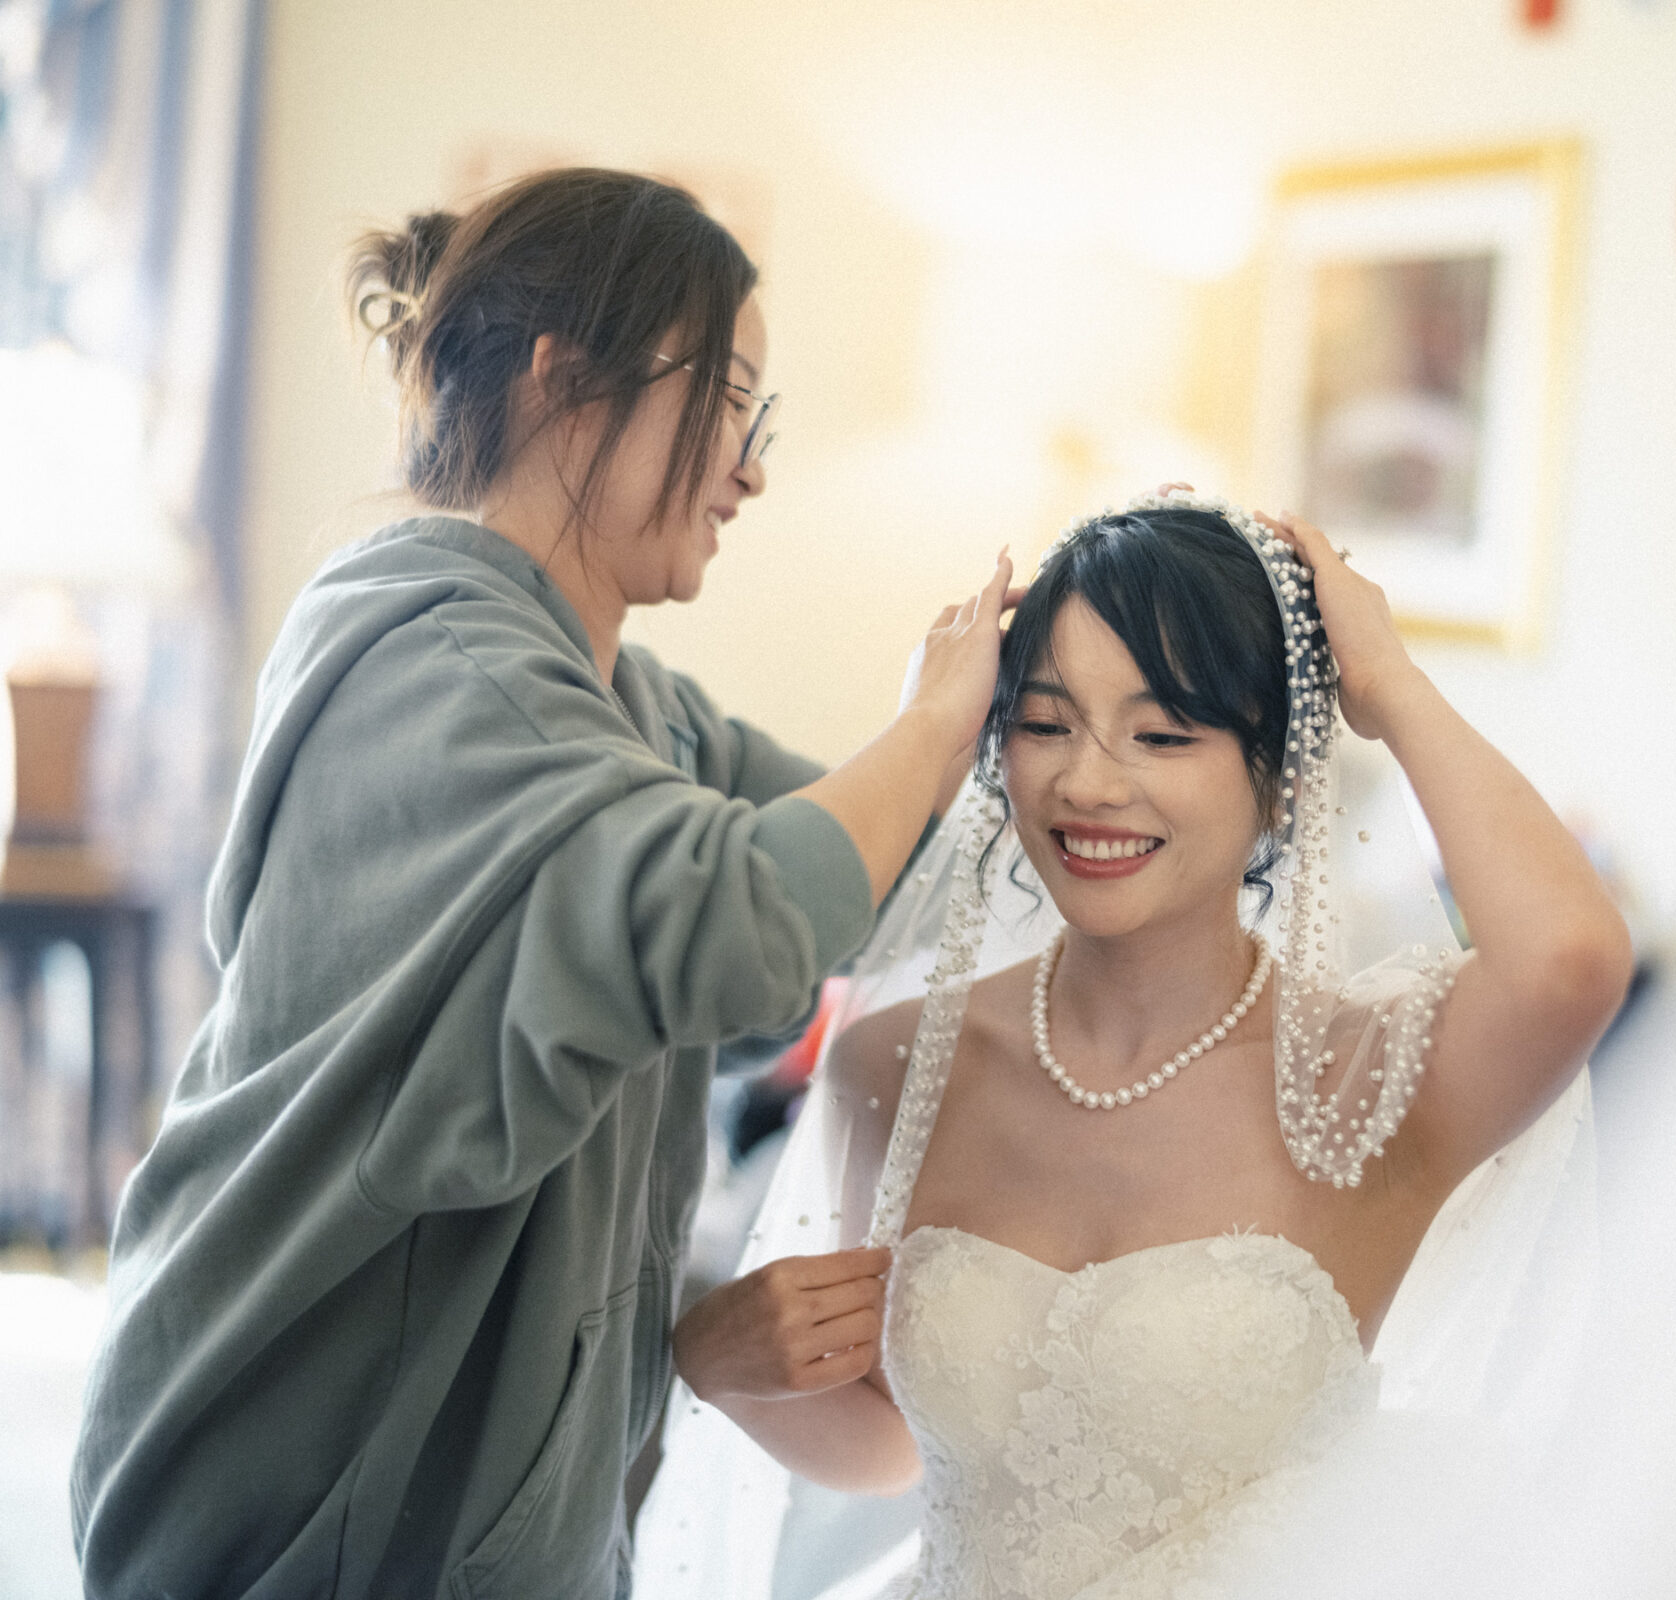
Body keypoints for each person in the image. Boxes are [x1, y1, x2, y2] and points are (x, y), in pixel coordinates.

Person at [69, 167, 1010, 1600]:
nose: (751, 469)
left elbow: (878, 883)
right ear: (563, 384)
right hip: (299, 1508)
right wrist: (931, 723)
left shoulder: (632, 706)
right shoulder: (439, 669)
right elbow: (739, 919)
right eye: (733, 402)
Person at [634, 492, 1630, 1599]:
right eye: (1047, 723)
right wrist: (716, 1361)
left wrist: (1386, 680)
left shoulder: (1365, 1080)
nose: (1089, 782)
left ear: (1279, 777)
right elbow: (894, 1439)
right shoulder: (898, 1062)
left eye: (1163, 733)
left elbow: (1568, 960)